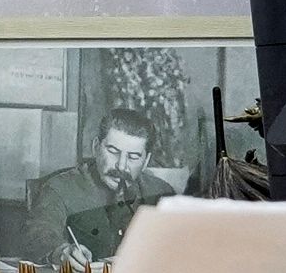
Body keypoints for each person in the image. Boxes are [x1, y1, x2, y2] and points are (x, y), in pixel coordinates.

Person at [22, 102, 173, 260]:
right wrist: (62, 252)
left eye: (133, 157)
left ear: (146, 161)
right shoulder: (60, 188)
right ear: (96, 147)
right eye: (113, 151)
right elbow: (39, 234)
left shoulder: (161, 193)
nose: (121, 165)